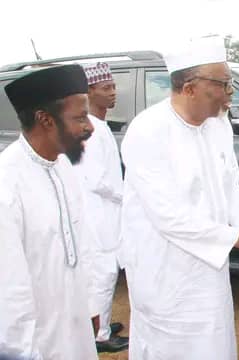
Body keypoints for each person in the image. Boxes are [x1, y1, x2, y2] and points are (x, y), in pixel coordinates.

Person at [120, 36, 239, 360]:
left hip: (210, 273)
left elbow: (232, 188)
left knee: (214, 343)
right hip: (165, 274)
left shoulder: (219, 125)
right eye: (223, 83)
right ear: (189, 88)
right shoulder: (147, 131)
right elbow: (170, 217)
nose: (230, 92)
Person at [0, 65, 99, 359]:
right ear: (45, 120)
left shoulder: (63, 165)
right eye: (80, 117)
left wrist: (90, 304)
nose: (90, 127)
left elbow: (82, 243)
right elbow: (8, 286)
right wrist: (22, 351)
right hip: (34, 337)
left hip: (74, 319)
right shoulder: (7, 181)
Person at [73, 62, 128, 352]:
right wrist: (129, 194)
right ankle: (101, 336)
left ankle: (102, 322)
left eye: (113, 86)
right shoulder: (90, 129)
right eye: (106, 88)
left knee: (105, 271)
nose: (113, 93)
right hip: (97, 212)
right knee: (102, 273)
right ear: (90, 91)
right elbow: (98, 180)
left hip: (107, 210)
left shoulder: (100, 125)